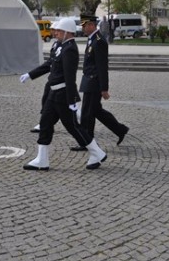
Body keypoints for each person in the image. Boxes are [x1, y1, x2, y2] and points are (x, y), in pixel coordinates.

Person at [20, 18, 107, 171]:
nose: (55, 33)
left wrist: (72, 99)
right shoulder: (61, 46)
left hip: (62, 95)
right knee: (45, 123)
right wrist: (30, 74)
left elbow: (69, 77)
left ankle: (97, 152)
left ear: (67, 32)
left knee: (73, 127)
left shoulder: (70, 49)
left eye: (58, 31)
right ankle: (42, 159)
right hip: (54, 93)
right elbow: (50, 64)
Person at [70, 14, 128, 152]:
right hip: (89, 80)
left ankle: (86, 142)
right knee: (96, 111)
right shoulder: (92, 39)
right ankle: (120, 129)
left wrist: (104, 88)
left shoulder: (99, 41)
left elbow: (102, 67)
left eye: (84, 26)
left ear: (91, 25)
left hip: (94, 82)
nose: (83, 29)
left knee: (87, 113)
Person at [23, 21, 59, 133]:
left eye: (53, 30)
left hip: (60, 82)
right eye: (52, 30)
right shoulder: (56, 44)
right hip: (52, 80)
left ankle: (82, 123)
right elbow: (49, 63)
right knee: (47, 100)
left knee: (66, 109)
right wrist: (30, 74)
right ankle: (45, 124)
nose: (52, 32)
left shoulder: (65, 46)